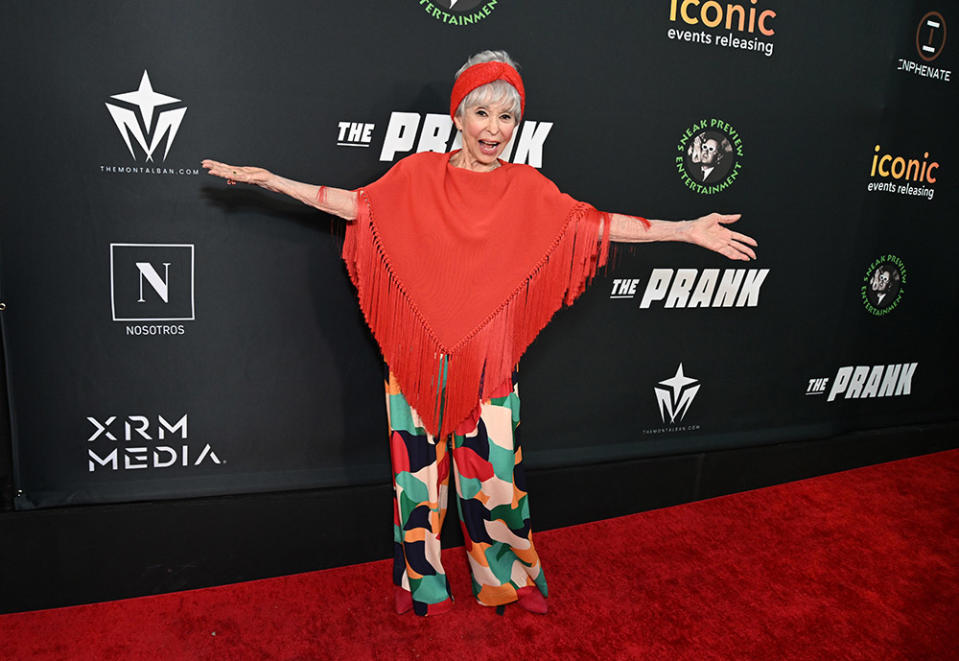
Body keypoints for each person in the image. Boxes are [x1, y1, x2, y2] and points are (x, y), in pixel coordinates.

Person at [202, 50, 757, 617]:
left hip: (489, 363)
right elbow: (356, 207)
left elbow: (598, 225)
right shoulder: (416, 174)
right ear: (458, 117)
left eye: (507, 118)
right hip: (415, 359)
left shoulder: (530, 189)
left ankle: (505, 579)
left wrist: (686, 230)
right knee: (415, 481)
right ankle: (422, 583)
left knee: (494, 481)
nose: (494, 130)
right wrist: (272, 181)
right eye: (483, 114)